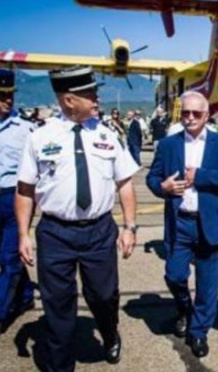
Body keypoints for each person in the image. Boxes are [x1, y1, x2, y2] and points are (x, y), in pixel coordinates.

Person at [15, 66, 139, 370]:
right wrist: (23, 234)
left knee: (104, 296)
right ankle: (60, 365)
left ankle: (109, 334)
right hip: (56, 233)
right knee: (57, 306)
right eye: (90, 93)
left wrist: (129, 227)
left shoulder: (109, 134)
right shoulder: (39, 137)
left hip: (99, 231)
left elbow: (125, 182)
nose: (97, 98)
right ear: (69, 100)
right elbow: (25, 189)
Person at [146, 91, 218, 359]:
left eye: (196, 113)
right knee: (175, 274)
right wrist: (161, 187)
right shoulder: (167, 144)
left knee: (208, 282)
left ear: (207, 115)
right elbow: (153, 177)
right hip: (181, 222)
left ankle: (198, 332)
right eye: (185, 113)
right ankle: (184, 307)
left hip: (209, 221)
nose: (190, 118)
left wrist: (201, 176)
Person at [0, 69, 35, 333]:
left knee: (9, 259)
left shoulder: (26, 130)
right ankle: (23, 297)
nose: (8, 100)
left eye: (10, 95)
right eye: (2, 96)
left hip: (12, 199)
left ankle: (1, 312)